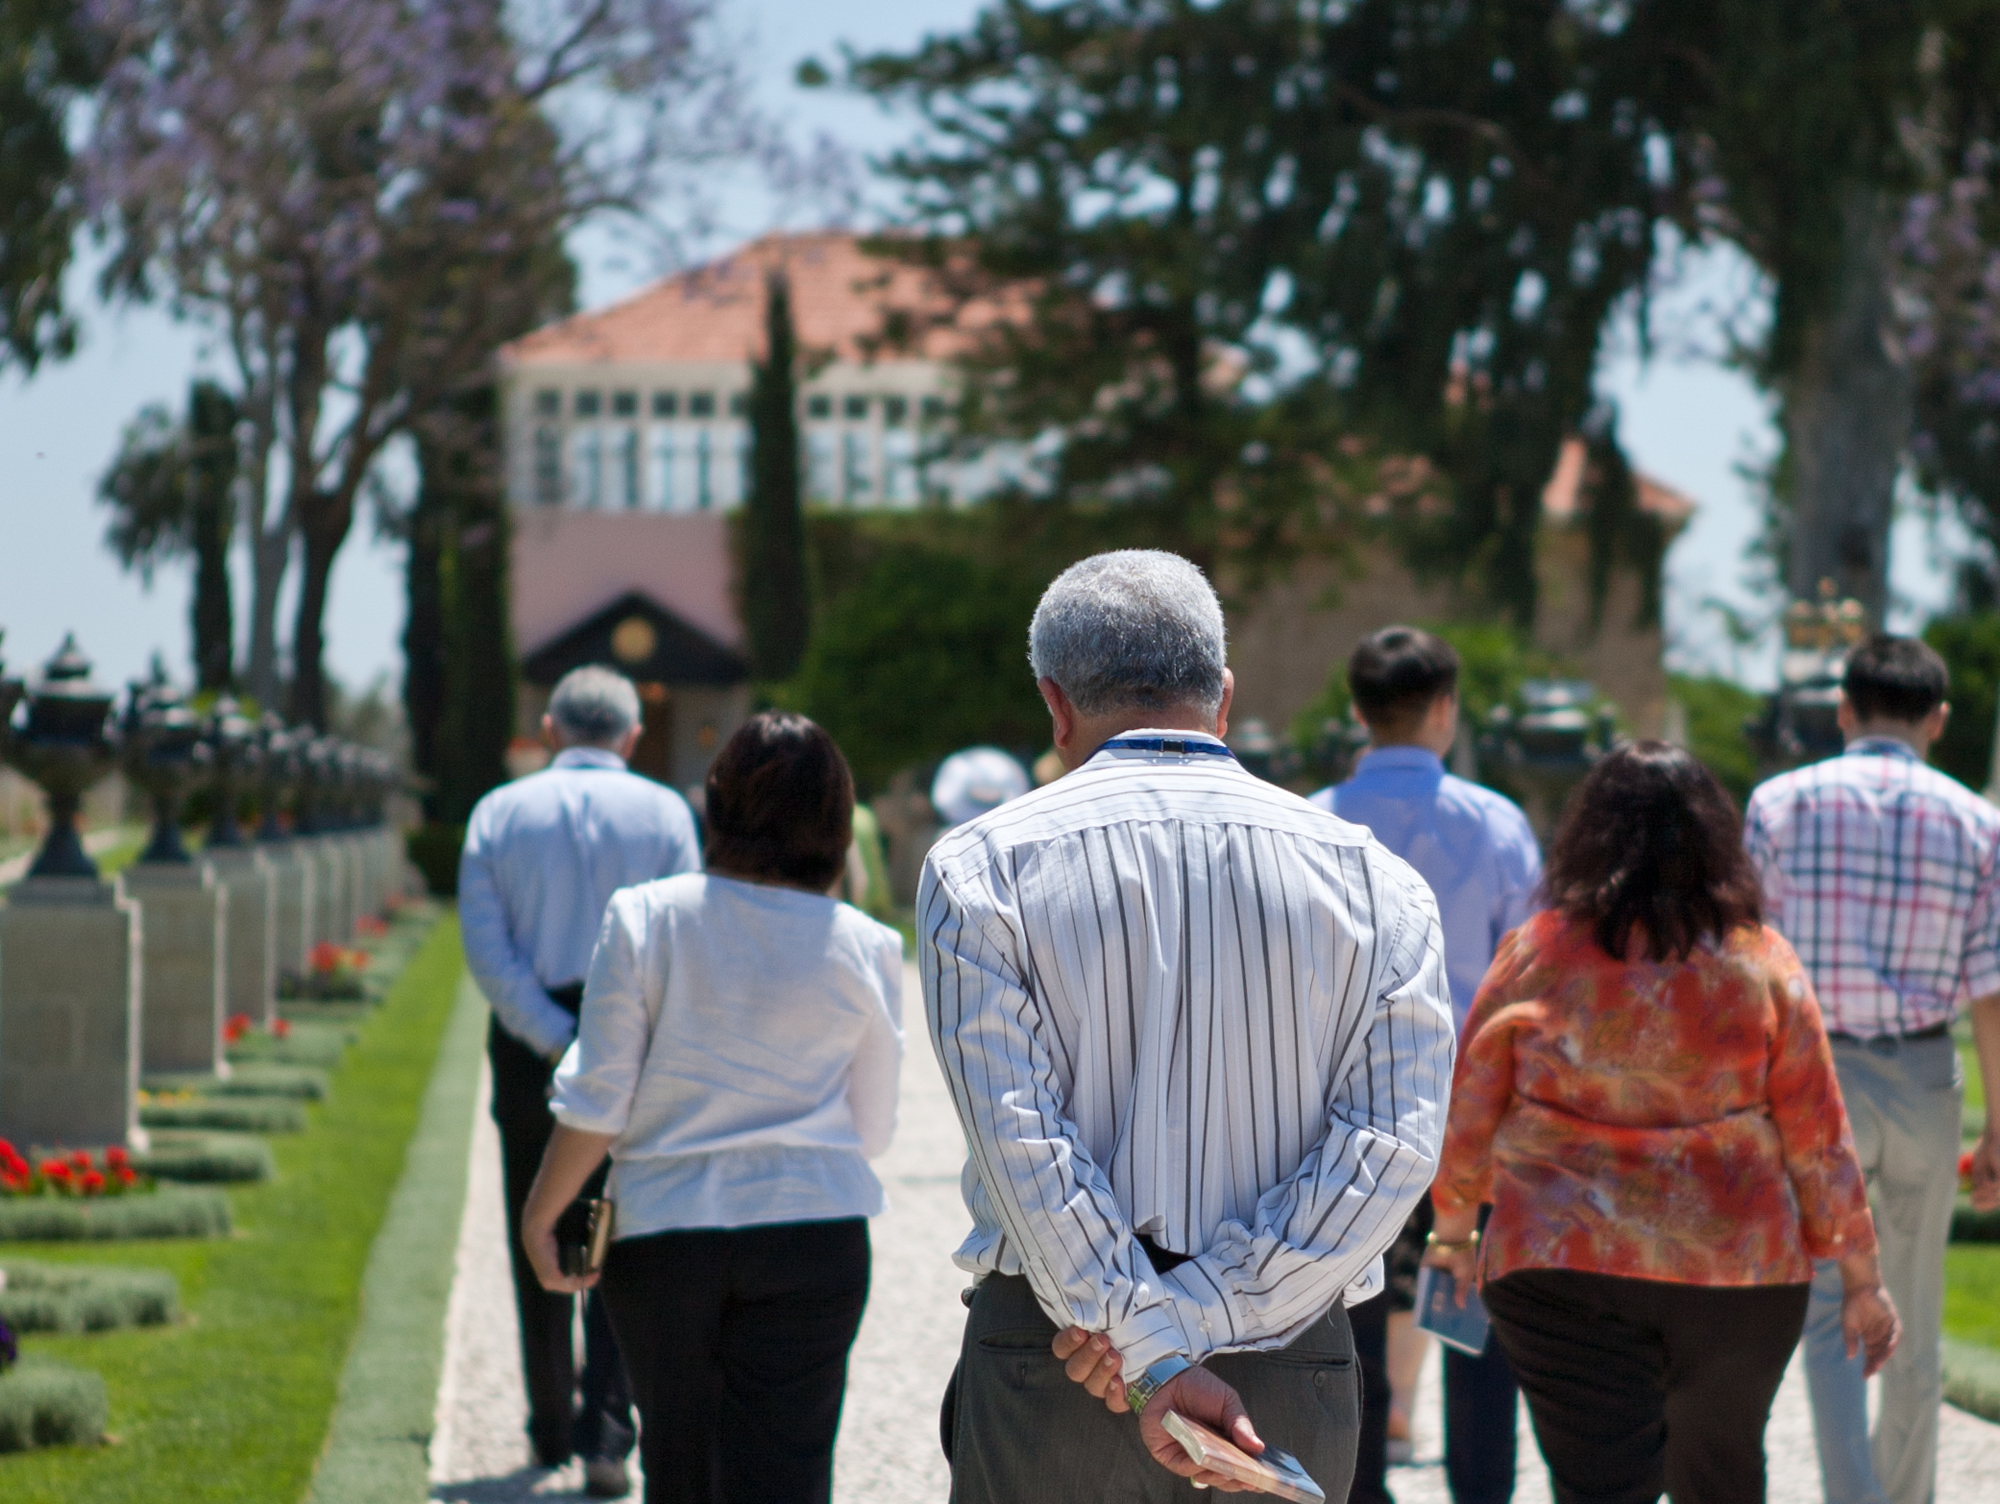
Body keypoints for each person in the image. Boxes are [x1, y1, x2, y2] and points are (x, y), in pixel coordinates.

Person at [921, 550, 1457, 1502]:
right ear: (1223, 696)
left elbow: (1019, 1140)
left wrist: (1148, 1345)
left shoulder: (981, 868)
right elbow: (1392, 1147)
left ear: (1054, 705)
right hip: (1288, 1360)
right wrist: (1209, 1313)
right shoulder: (1382, 886)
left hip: (1060, 1354)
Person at [1427, 741, 1899, 1504]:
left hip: (1558, 1264)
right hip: (1736, 1269)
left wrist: (1452, 1235)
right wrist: (1864, 1281)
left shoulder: (1536, 954)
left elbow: (1470, 1106)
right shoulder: (1760, 961)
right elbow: (1818, 1135)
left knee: (1597, 1487)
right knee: (1722, 1476)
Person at [520, 711, 904, 1504]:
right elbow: (874, 1128)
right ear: (835, 819)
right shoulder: (866, 944)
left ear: (717, 805)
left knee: (680, 1467)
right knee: (791, 1476)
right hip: (813, 1232)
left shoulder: (646, 917)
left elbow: (599, 1096)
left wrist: (542, 1214)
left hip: (666, 1237)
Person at [1744, 634, 2000, 1504]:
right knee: (1916, 1319)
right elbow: (1990, 991)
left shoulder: (1778, 803)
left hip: (1816, 1082)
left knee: (1827, 1310)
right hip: (1928, 1076)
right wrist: (1999, 1124)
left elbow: (1748, 967)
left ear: (1844, 711)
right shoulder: (1978, 821)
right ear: (1938, 718)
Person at [458, 665, 702, 1496]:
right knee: (620, 1229)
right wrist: (602, 1041)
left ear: (551, 730)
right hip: (632, 1033)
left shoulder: (499, 809)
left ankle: (548, 1425)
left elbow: (487, 951)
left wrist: (555, 1035)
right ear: (631, 738)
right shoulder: (667, 810)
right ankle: (607, 1431)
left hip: (531, 1040)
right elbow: (679, 930)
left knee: (532, 1213)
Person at [1310, 627, 1539, 1504]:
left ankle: (1358, 1489)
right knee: (1478, 1338)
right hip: (1473, 1112)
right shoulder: (1500, 823)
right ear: (1446, 707)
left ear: (1358, 713)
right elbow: (1532, 970)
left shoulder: (1312, 821)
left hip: (1346, 1109)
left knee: (1351, 1322)